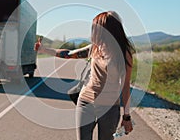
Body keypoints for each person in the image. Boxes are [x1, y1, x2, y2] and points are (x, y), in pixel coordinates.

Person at [34, 11, 134, 140]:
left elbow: (125, 87)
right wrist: (44, 50)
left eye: (96, 28)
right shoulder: (94, 48)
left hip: (109, 107)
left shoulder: (124, 54)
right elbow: (69, 53)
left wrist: (127, 117)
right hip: (86, 102)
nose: (94, 32)